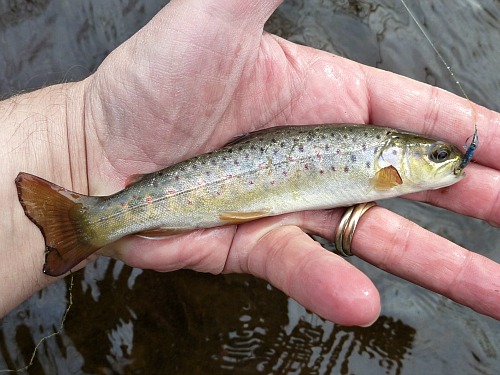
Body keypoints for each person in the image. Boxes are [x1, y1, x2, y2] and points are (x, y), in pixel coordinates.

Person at [1, 0, 499, 325]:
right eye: (437, 155)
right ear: (395, 159)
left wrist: (78, 137)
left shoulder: (382, 168)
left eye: (441, 156)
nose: (448, 161)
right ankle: (88, 220)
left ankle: (91, 220)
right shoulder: (379, 166)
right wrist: (84, 136)